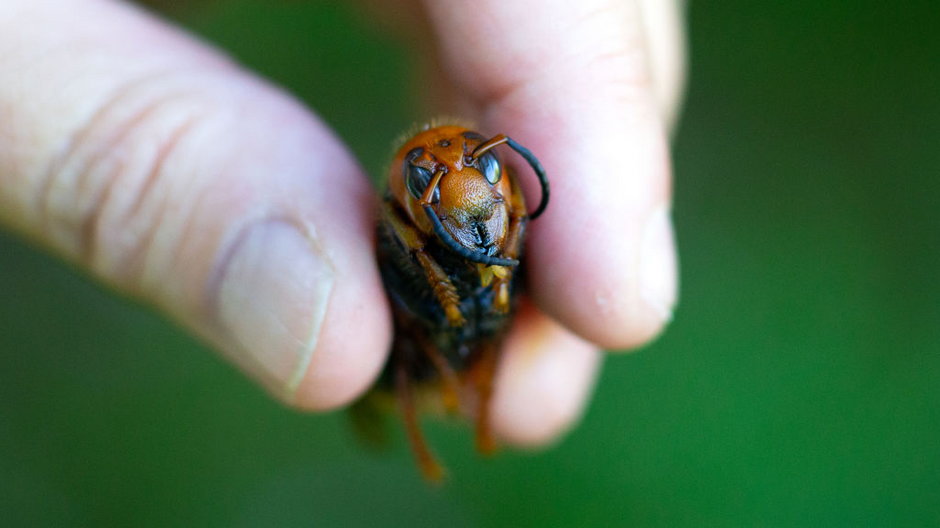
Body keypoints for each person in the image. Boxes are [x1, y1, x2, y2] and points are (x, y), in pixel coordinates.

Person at [0, 0, 683, 446]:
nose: (467, 188)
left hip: (466, 332)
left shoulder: (484, 204)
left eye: (486, 173)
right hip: (411, 350)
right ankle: (412, 412)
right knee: (405, 347)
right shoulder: (413, 232)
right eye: (433, 182)